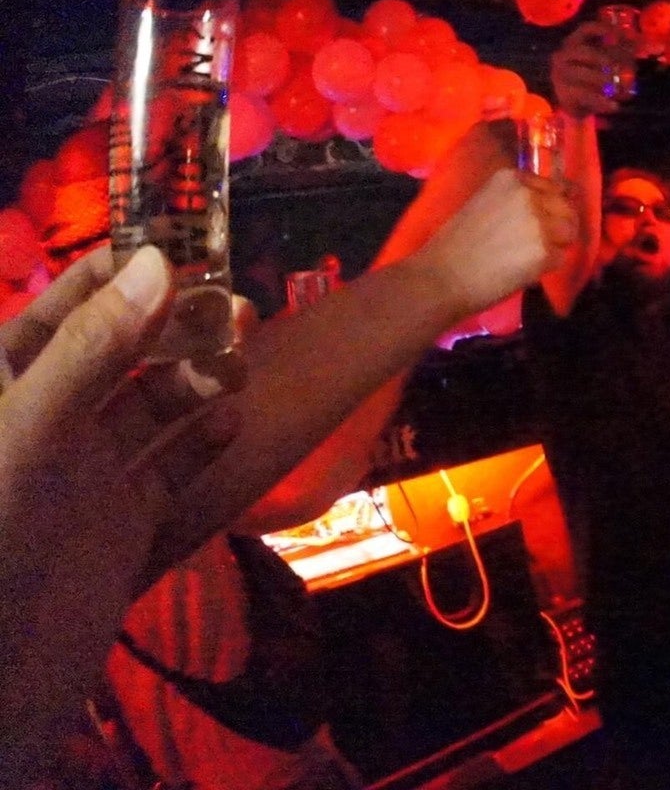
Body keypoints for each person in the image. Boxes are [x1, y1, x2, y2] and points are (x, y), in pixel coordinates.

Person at [1, 168, 575, 781]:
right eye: (77, 246)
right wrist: (446, 271)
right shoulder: (64, 490)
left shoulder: (75, 482)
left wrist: (447, 271)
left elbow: (197, 446)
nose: (125, 268)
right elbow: (290, 477)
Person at [389, 24, 670, 790]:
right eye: (626, 210)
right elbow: (565, 247)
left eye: (662, 216)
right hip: (650, 636)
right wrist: (576, 118)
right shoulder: (575, 323)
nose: (647, 225)